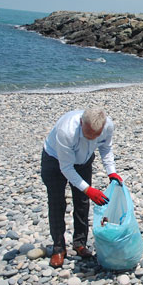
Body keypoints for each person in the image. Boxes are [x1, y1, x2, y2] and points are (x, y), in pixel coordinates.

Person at [41, 108, 122, 268]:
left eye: (96, 135)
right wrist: (88, 189)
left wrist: (111, 172)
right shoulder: (67, 131)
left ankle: (80, 243)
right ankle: (58, 248)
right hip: (56, 160)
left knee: (82, 202)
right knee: (57, 203)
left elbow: (106, 148)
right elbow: (66, 168)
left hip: (84, 160)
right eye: (88, 133)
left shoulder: (107, 126)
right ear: (80, 123)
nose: (92, 137)